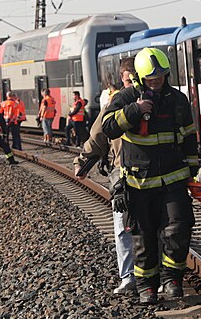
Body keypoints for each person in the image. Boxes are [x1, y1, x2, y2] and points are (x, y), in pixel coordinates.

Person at [102, 48, 198, 305]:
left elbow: (189, 137)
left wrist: (193, 173)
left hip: (173, 180)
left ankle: (172, 279)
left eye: (161, 77)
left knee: (177, 229)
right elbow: (108, 127)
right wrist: (134, 110)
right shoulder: (125, 97)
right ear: (140, 78)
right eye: (151, 78)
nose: (156, 82)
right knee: (143, 238)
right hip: (139, 184)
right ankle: (147, 286)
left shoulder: (177, 100)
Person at [74, 57, 137, 296]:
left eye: (135, 79)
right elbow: (98, 136)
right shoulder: (116, 102)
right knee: (123, 227)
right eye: (129, 79)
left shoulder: (153, 98)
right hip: (123, 173)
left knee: (150, 227)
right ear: (122, 78)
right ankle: (129, 276)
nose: (132, 83)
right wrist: (82, 163)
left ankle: (148, 276)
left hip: (150, 171)